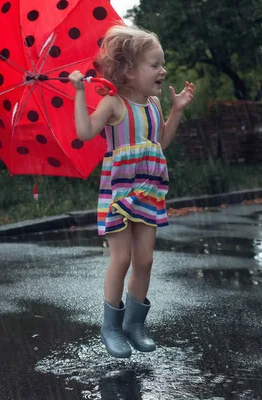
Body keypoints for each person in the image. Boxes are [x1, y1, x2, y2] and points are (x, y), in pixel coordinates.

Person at [69, 25, 195, 358]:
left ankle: (135, 325)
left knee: (145, 259)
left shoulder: (154, 102)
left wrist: (177, 110)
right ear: (128, 69)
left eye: (162, 64)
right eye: (154, 64)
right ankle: (110, 327)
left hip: (149, 189)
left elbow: (160, 144)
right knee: (121, 257)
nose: (163, 70)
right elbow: (84, 132)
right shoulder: (113, 103)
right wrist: (80, 93)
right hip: (120, 192)